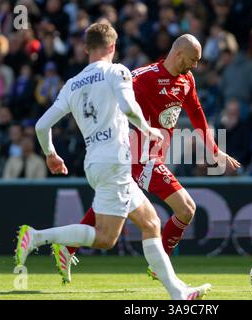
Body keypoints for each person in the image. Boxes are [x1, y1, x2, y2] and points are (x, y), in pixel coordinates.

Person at [14, 23, 211, 300]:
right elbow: (130, 108)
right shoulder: (117, 71)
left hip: (95, 161)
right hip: (116, 159)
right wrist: (147, 129)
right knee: (106, 238)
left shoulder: (72, 83)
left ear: (85, 48)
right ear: (112, 47)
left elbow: (41, 125)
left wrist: (50, 154)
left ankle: (179, 293)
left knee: (151, 223)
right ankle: (36, 237)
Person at [61, 33, 240, 282]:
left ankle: (66, 248)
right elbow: (110, 93)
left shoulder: (187, 80)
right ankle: (160, 265)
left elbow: (197, 113)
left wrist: (215, 150)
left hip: (150, 156)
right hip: (139, 157)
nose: (195, 66)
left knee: (106, 207)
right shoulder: (144, 77)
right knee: (186, 209)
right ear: (178, 54)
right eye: (193, 59)